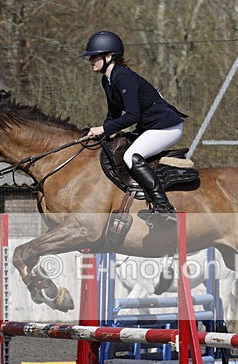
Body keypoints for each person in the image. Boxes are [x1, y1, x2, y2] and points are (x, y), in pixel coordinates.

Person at [80, 30, 187, 223]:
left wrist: (103, 129)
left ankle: (164, 207)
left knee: (131, 156)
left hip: (166, 128)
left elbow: (132, 115)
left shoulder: (123, 76)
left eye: (94, 56)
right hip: (150, 127)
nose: (90, 60)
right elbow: (113, 115)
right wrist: (100, 135)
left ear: (109, 56)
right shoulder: (108, 80)